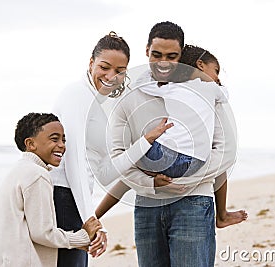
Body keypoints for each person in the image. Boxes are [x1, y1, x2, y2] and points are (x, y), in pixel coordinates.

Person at [90, 21, 237, 267]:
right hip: (147, 204)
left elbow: (226, 152)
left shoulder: (203, 92)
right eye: (156, 54)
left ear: (182, 56)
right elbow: (118, 156)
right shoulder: (130, 96)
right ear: (146, 50)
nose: (164, 63)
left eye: (172, 56)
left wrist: (183, 180)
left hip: (193, 201)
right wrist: (150, 183)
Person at [51, 31, 172, 266]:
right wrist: (91, 219)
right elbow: (74, 162)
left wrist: (145, 141)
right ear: (91, 63)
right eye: (104, 67)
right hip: (60, 199)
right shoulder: (78, 95)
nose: (110, 76)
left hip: (75, 200)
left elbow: (104, 171)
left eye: (119, 71)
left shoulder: (98, 103)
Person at [95, 44, 247, 228]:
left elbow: (148, 86)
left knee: (134, 159)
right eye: (216, 71)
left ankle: (96, 215)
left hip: (177, 166)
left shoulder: (172, 89)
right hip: (188, 159)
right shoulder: (205, 91)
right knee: (134, 161)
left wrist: (155, 181)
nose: (217, 78)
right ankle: (221, 214)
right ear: (200, 65)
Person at [0, 112, 101, 267]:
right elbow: (43, 233)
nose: (62, 145)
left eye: (63, 139)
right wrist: (83, 237)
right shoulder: (38, 175)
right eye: (54, 139)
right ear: (31, 144)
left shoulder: (19, 170)